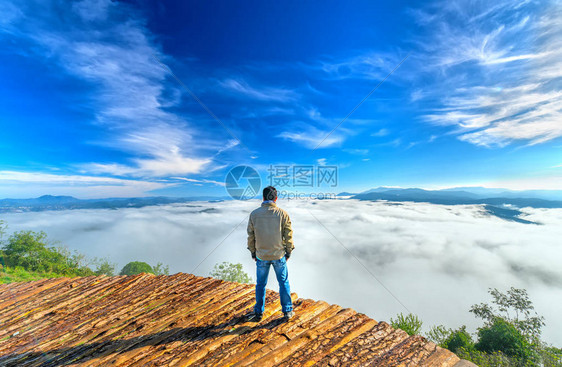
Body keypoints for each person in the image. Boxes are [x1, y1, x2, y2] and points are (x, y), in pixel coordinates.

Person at [247, 186, 294, 321]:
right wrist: (289, 251)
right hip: (279, 255)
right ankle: (287, 311)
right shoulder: (282, 214)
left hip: (261, 255)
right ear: (276, 198)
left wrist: (253, 252)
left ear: (263, 197)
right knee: (283, 283)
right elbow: (288, 235)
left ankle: (258, 312)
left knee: (260, 284)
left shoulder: (254, 214)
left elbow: (251, 236)